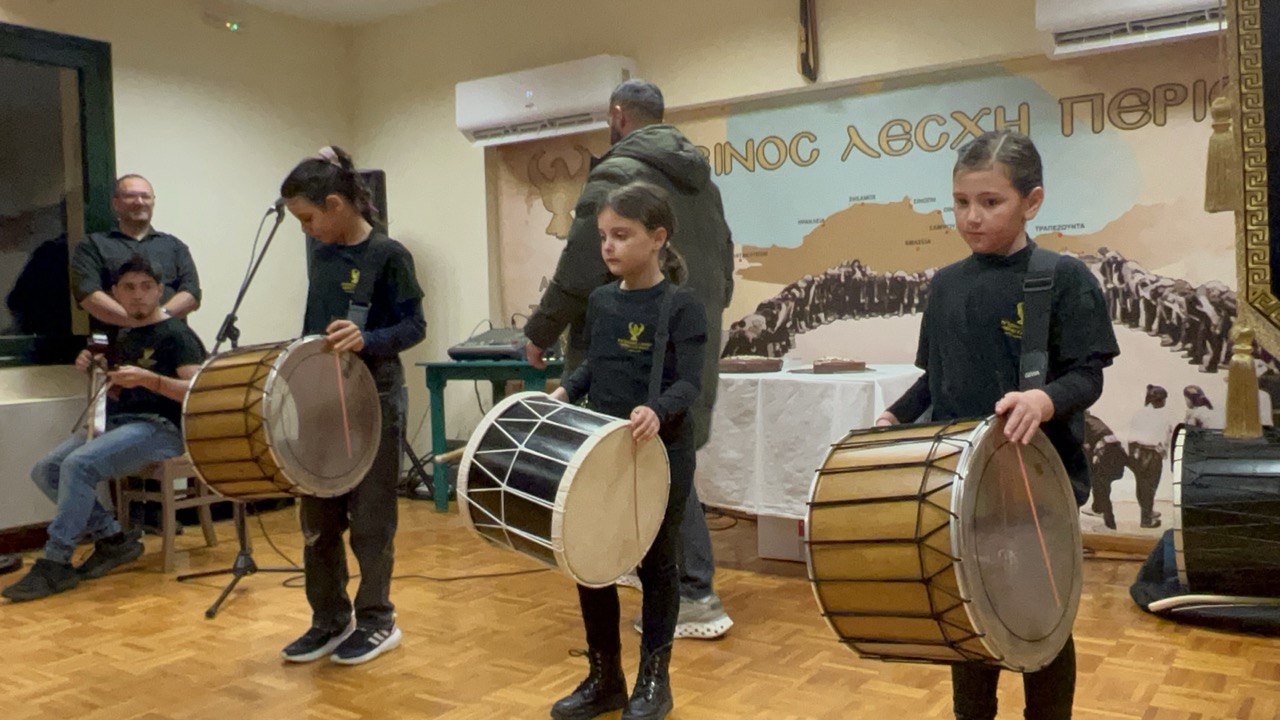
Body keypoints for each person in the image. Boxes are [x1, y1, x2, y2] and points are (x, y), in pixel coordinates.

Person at [875, 130, 1119, 720]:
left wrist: (1044, 400)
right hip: (960, 485)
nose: (972, 217)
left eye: (990, 202)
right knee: (969, 616)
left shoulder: (1063, 279)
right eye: (961, 202)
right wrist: (895, 415)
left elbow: (1087, 377)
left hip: (1039, 486)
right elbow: (934, 380)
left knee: (1041, 619)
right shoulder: (946, 285)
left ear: (1032, 202)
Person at [523, 79, 734, 639]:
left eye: (617, 235)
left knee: (660, 467)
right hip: (689, 337)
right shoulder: (704, 184)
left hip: (634, 350)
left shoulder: (617, 174)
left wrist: (540, 332)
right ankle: (660, 573)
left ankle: (694, 592)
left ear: (617, 116)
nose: (610, 243)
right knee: (663, 463)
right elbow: (727, 263)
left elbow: (577, 270)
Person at [547, 182, 706, 720]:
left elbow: (690, 384)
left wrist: (657, 410)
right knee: (590, 558)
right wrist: (567, 390)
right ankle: (604, 678)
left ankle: (654, 680)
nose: (608, 246)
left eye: (622, 235)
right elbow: (595, 364)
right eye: (603, 236)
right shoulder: (601, 300)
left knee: (657, 564)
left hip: (663, 452)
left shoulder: (682, 305)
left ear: (657, 238)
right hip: (604, 449)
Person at [277, 146, 426, 666]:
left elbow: (415, 326)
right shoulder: (321, 255)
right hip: (321, 397)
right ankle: (328, 618)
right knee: (318, 517)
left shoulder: (389, 255)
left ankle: (378, 619)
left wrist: (369, 339)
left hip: (375, 395)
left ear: (336, 205)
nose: (305, 229)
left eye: (308, 218)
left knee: (371, 519)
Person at [2, 256, 206, 602]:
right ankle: (112, 539)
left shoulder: (177, 334)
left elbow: (198, 390)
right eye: (129, 287)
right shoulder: (123, 336)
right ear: (115, 293)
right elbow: (114, 390)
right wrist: (94, 367)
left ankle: (55, 562)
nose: (138, 295)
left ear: (159, 290)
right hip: (119, 423)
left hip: (161, 429)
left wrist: (152, 380)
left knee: (78, 464)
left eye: (146, 287)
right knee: (46, 469)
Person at [70, 175, 202, 328]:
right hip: (117, 340)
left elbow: (192, 293)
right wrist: (137, 323)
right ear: (116, 203)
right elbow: (87, 294)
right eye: (130, 196)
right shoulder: (92, 246)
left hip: (170, 339)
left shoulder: (175, 246)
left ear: (153, 202)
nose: (139, 202)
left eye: (145, 197)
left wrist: (160, 318)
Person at [1128, 385, 1173, 529]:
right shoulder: (1162, 417)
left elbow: (1131, 437)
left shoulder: (1139, 414)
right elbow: (1165, 438)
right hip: (1152, 454)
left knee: (1142, 486)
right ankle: (1146, 519)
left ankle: (1147, 512)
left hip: (1137, 452)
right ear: (1159, 400)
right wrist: (1163, 453)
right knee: (1151, 486)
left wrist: (1132, 454)